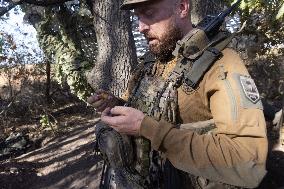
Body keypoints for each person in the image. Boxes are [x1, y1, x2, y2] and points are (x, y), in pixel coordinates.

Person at [87, 0, 268, 188]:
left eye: (149, 13)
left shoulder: (221, 65)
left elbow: (249, 160)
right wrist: (115, 103)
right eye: (137, 17)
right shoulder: (151, 63)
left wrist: (148, 128)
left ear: (182, 7)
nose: (140, 27)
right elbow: (137, 104)